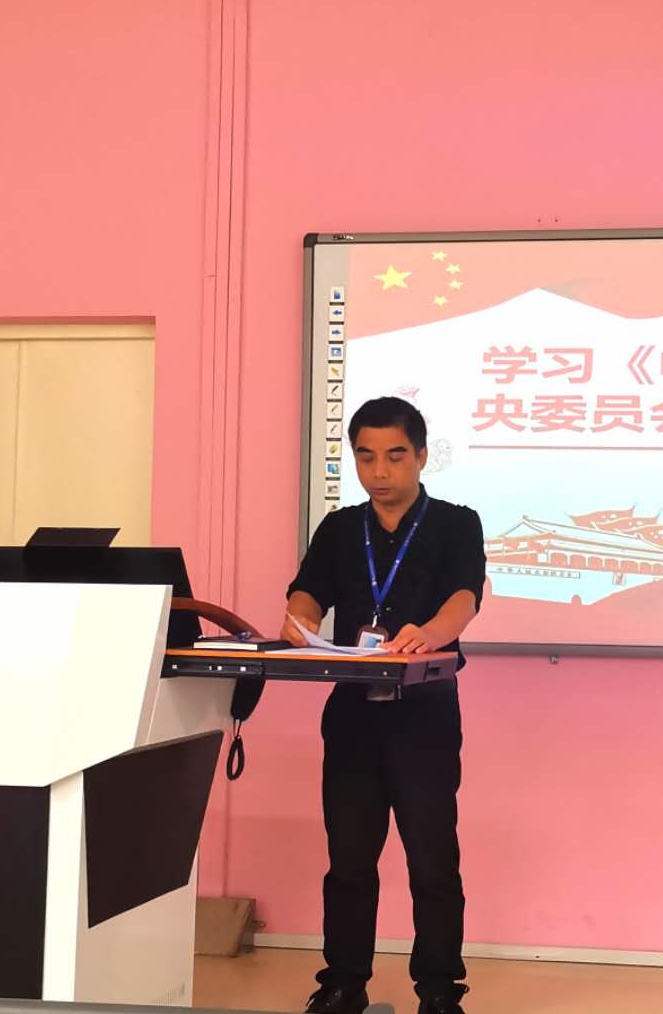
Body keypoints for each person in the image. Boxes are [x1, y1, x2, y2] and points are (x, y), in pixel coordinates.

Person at [283, 396, 484, 1014]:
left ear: (421, 456)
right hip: (353, 714)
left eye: (395, 456)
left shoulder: (455, 523)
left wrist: (433, 632)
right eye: (366, 457)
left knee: (432, 859)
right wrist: (299, 621)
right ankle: (342, 984)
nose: (380, 471)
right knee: (348, 859)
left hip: (424, 713)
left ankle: (439, 991)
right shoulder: (340, 529)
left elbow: (465, 596)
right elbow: (306, 593)